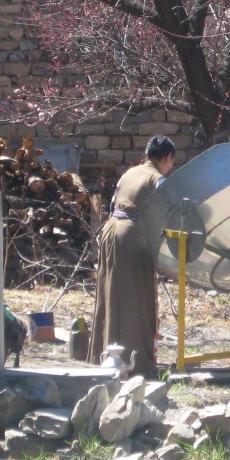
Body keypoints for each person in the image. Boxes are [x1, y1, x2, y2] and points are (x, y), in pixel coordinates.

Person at [88, 136, 177, 376]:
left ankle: (105, 356)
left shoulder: (130, 173)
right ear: (167, 158)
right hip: (131, 237)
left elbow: (114, 204)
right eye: (171, 162)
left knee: (111, 292)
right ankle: (134, 363)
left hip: (110, 230)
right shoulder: (158, 179)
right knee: (134, 298)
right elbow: (168, 212)